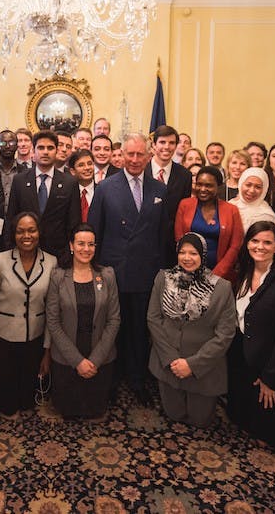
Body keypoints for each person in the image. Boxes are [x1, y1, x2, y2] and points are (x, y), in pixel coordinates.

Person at [86, 132, 167, 405]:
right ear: (121, 156)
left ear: (148, 156)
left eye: (139, 155)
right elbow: (95, 231)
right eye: (129, 154)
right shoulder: (106, 188)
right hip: (112, 272)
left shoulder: (160, 190)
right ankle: (110, 379)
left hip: (146, 273)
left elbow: (163, 235)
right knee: (111, 329)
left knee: (139, 330)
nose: (134, 160)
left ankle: (137, 380)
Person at [226, 222, 275, 450]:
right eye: (255, 241)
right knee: (238, 421)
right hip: (242, 358)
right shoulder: (243, 273)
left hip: (272, 363)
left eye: (267, 242)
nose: (260, 246)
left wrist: (270, 379)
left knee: (266, 440)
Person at [147, 233, 236, 427]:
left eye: (193, 253)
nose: (187, 258)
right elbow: (153, 319)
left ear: (203, 255)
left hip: (203, 370)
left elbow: (225, 334)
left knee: (200, 420)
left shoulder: (222, 288)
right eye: (182, 252)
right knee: (174, 415)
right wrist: (171, 359)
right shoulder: (163, 279)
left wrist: (192, 365)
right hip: (168, 364)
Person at [45, 224, 121, 419]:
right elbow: (53, 321)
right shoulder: (58, 276)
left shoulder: (108, 275)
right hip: (66, 360)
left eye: (90, 244)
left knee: (95, 412)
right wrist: (77, 361)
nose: (86, 249)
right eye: (80, 244)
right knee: (68, 412)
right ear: (71, 245)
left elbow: (114, 320)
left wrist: (95, 360)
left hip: (100, 359)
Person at [0, 212, 57, 417]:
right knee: (7, 406)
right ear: (14, 235)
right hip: (4, 339)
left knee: (27, 403)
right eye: (21, 231)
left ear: (39, 232)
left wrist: (47, 350)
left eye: (31, 230)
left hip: (34, 339)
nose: (27, 235)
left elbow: (52, 309)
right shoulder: (0, 261)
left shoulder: (51, 262)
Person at [7, 130, 81, 262]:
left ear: (56, 151)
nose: (45, 152)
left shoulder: (70, 182)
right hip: (25, 252)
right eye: (41, 148)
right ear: (33, 151)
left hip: (58, 255)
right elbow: (12, 218)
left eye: (50, 148)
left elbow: (74, 222)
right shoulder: (20, 180)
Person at [174, 166, 244, 284]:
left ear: (219, 187)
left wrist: (216, 274)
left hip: (221, 275)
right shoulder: (185, 205)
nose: (202, 189)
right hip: (187, 271)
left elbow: (235, 245)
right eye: (199, 184)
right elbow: (179, 238)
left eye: (209, 185)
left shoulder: (231, 210)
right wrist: (190, 268)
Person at [147, 125, 193, 268]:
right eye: (162, 142)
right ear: (154, 145)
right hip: (143, 242)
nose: (167, 147)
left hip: (170, 246)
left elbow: (183, 212)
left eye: (172, 143)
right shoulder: (141, 171)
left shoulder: (185, 175)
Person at [0, 129, 23, 203]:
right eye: (2, 143)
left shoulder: (25, 171)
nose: (8, 146)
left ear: (17, 146)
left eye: (11, 143)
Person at [69, 148, 96, 221]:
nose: (87, 168)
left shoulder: (102, 191)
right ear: (73, 171)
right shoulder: (68, 192)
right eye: (81, 165)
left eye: (90, 164)